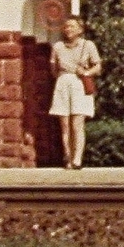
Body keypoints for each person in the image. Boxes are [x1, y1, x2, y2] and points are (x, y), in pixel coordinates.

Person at [48, 15, 102, 169]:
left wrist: (86, 73)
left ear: (80, 29)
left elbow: (98, 67)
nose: (68, 29)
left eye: (72, 26)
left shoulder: (88, 45)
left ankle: (78, 158)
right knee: (64, 124)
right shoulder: (58, 46)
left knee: (77, 123)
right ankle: (68, 157)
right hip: (63, 82)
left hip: (80, 83)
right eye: (66, 26)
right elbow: (53, 68)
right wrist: (62, 76)